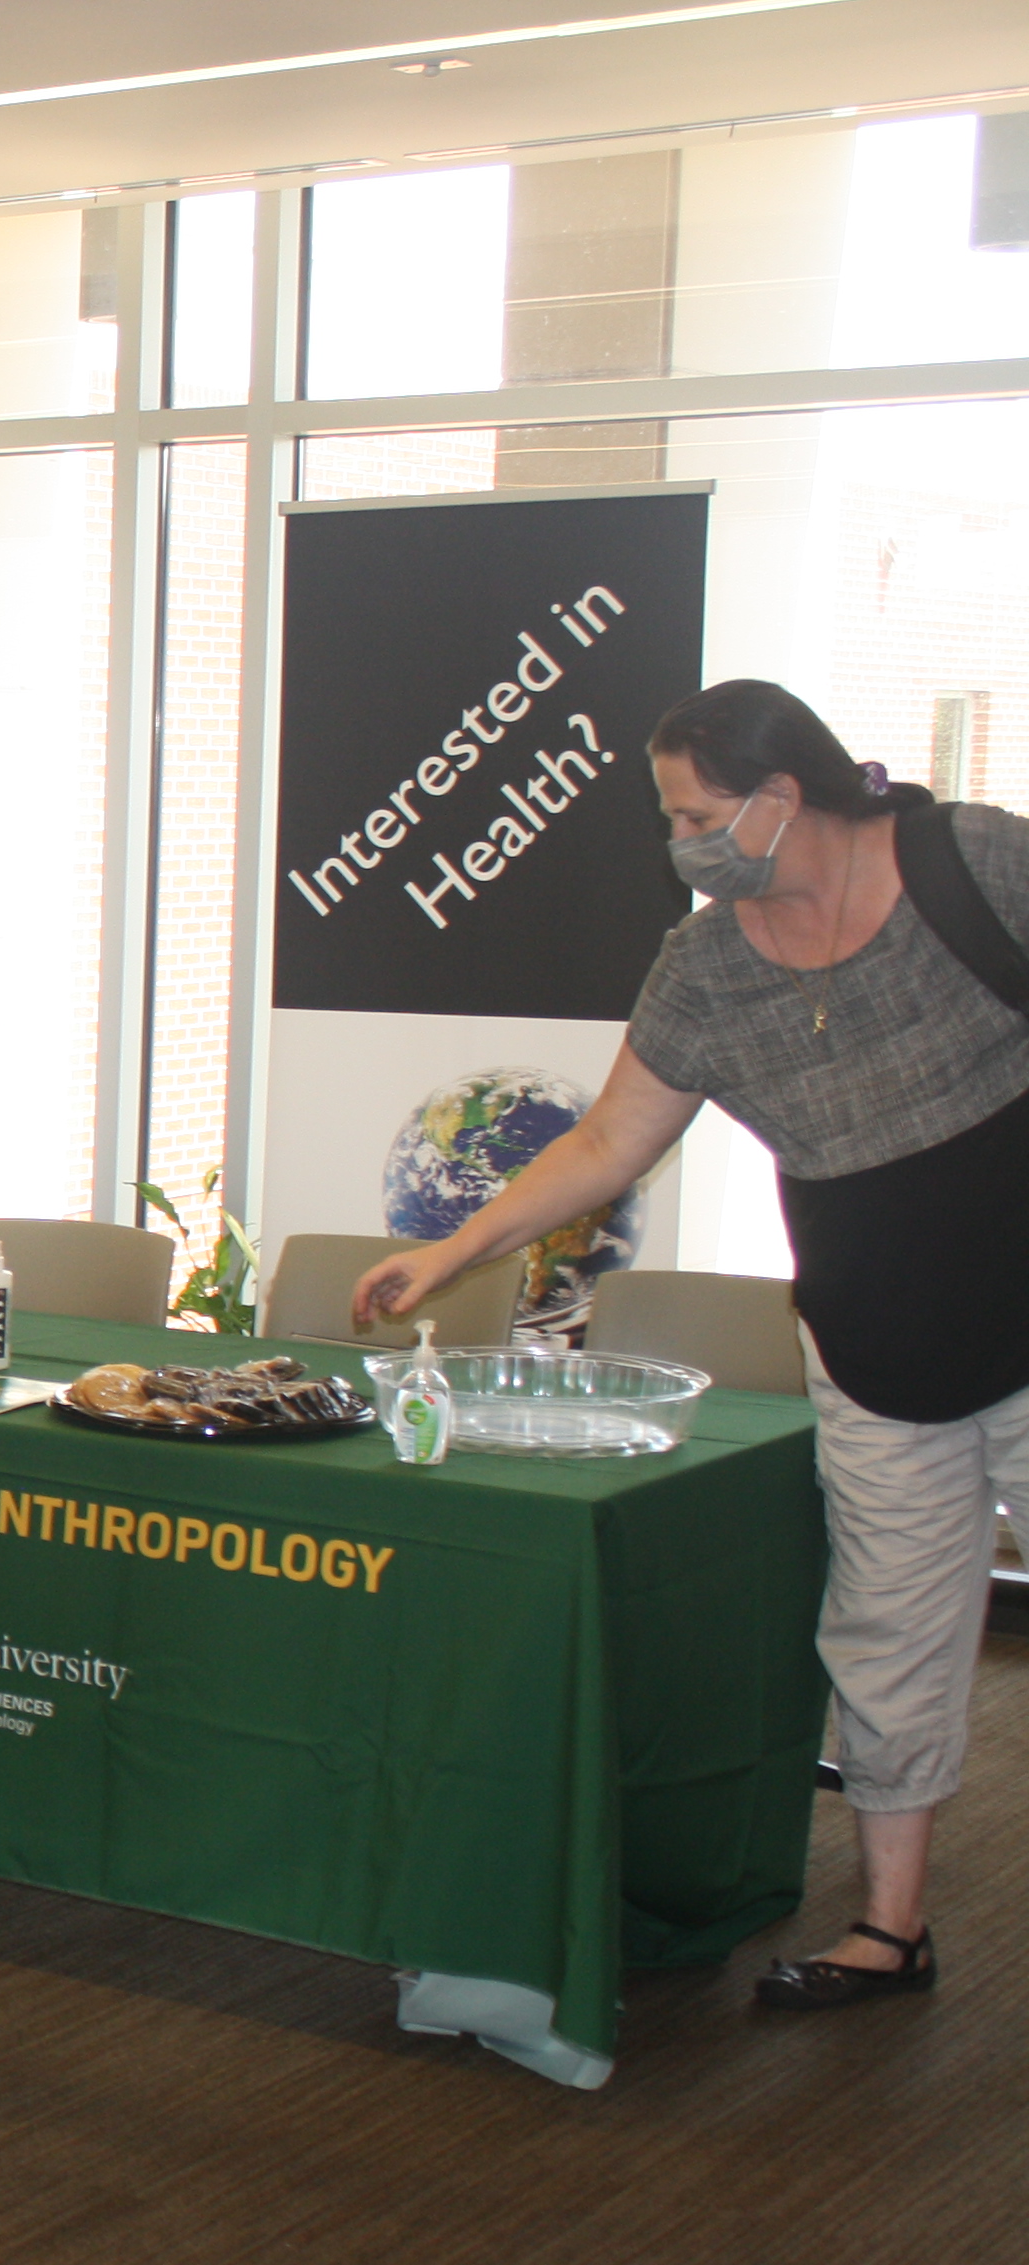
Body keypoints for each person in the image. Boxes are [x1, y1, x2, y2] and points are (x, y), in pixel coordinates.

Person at [355, 679, 1029, 2013]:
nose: (680, 839)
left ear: (784, 800)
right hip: (875, 1351)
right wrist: (455, 1249)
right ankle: (890, 1931)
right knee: (886, 1639)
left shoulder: (973, 864)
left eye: (696, 812)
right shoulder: (709, 965)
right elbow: (608, 1141)